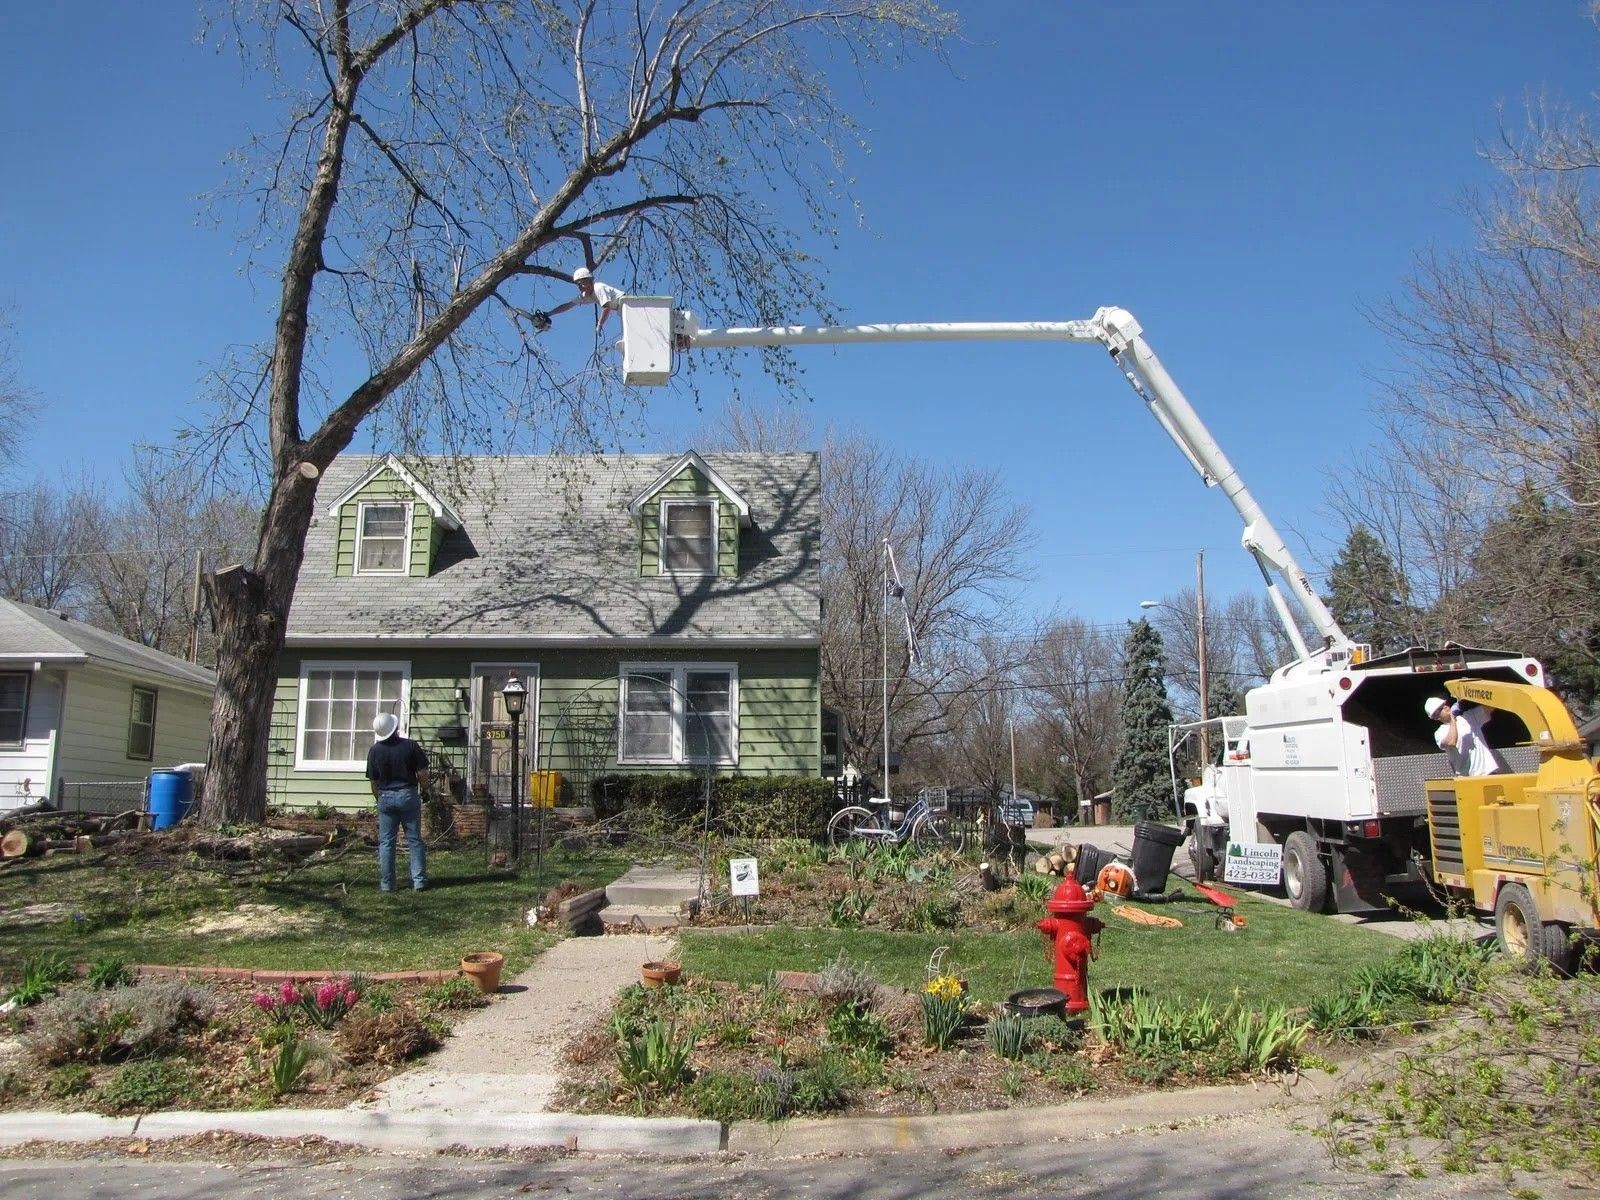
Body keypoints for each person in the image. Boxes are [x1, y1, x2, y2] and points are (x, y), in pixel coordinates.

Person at [366, 712, 430, 892]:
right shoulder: (410, 746)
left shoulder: (374, 750)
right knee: (414, 840)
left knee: (386, 842)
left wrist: (380, 799)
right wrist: (425, 791)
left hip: (385, 795)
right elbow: (422, 774)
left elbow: (373, 781)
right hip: (407, 794)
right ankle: (419, 881)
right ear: (395, 728)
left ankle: (387, 884)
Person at [1425, 696, 1507, 777]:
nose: (1446, 707)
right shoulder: (1440, 732)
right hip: (1467, 778)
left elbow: (1490, 707)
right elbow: (1451, 742)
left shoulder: (1468, 717)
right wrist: (1452, 719)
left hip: (1488, 772)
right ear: (1436, 716)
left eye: (1444, 704)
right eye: (1441, 708)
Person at [531, 266, 625, 333]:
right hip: (622, 309)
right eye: (578, 285)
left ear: (589, 281)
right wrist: (549, 313)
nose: (581, 287)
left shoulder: (598, 288)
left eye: (582, 283)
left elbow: (606, 308)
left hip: (628, 304)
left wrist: (600, 324)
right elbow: (568, 305)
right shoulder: (586, 295)